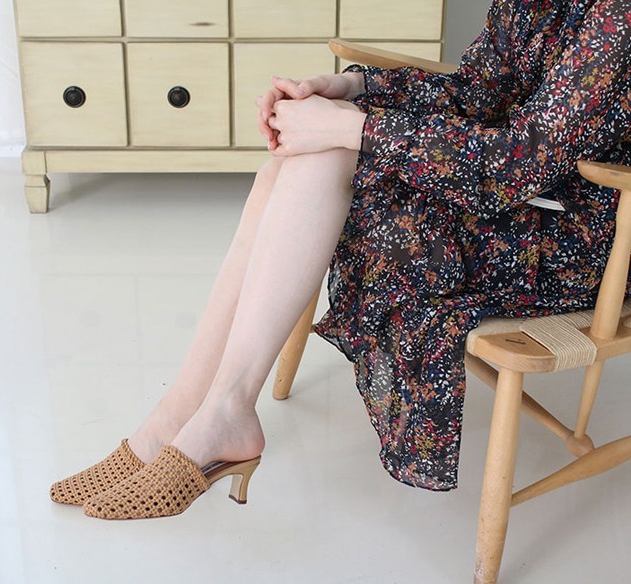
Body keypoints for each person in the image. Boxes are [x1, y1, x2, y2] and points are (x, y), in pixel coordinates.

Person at [50, 0, 631, 519]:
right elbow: (478, 91)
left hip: (583, 239)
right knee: (295, 164)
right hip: (518, 200)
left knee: (327, 155)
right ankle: (184, 412)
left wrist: (353, 128)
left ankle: (218, 411)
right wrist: (348, 88)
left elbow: (519, 161)